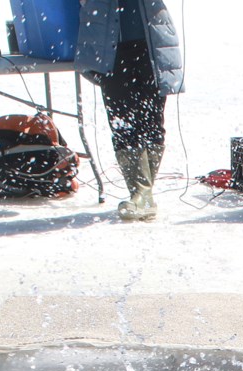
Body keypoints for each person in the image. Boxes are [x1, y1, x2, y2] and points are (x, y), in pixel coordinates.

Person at [75, 0, 184, 221]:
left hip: (152, 40)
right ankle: (141, 193)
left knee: (151, 119)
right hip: (108, 43)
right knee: (121, 121)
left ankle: (143, 193)